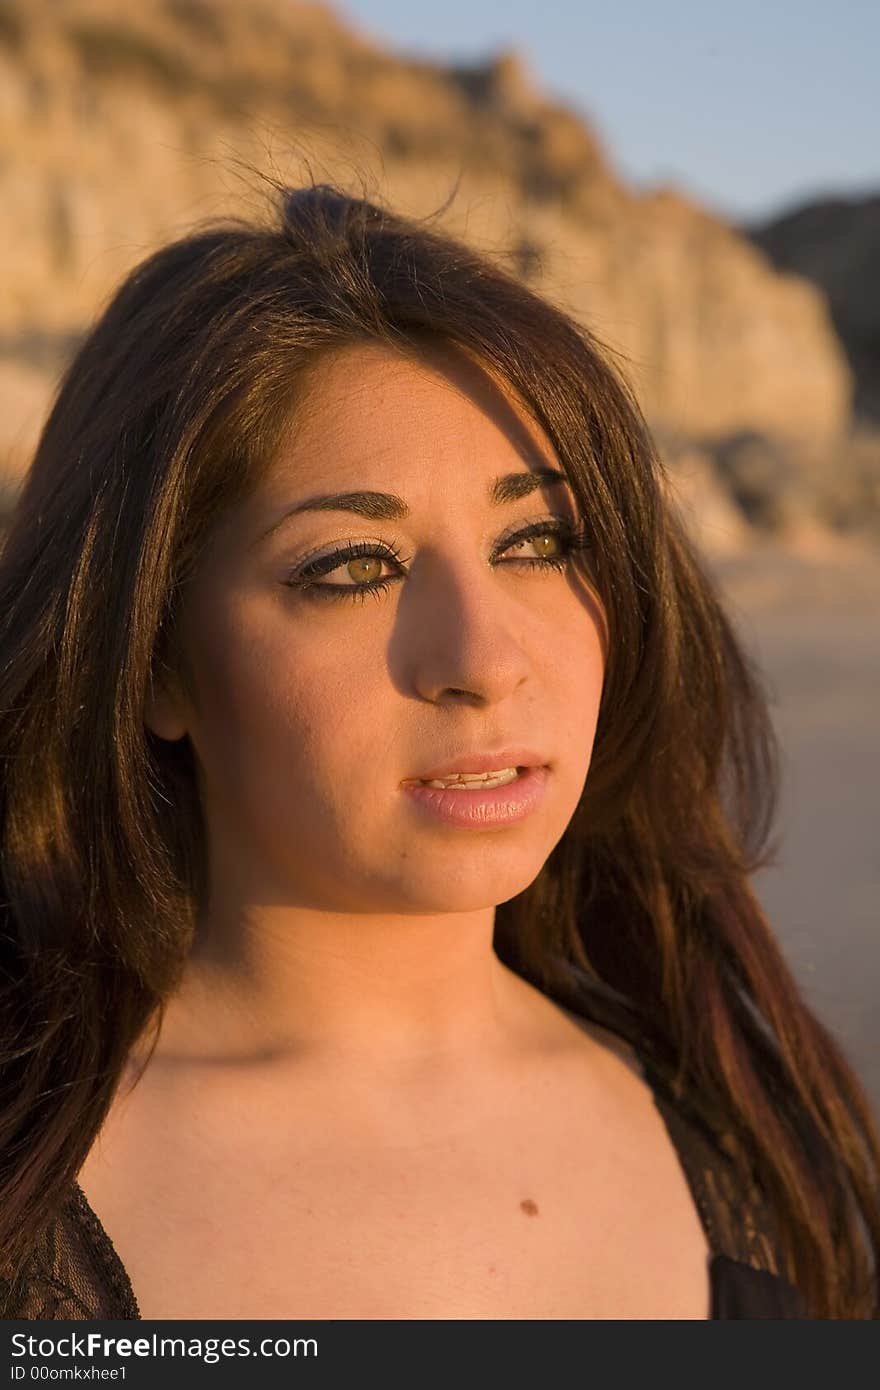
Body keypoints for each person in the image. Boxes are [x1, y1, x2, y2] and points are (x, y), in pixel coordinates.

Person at [0, 183, 877, 1322]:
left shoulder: (750, 1136)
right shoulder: (35, 1210)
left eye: (537, 541)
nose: (481, 659)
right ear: (156, 659)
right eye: (354, 566)